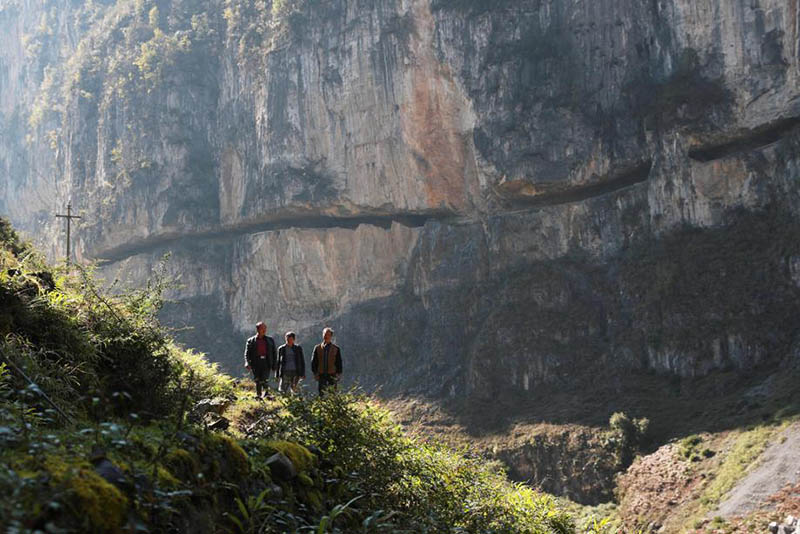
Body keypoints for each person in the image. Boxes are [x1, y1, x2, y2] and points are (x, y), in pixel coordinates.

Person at [243, 321, 277, 399]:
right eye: (262, 328)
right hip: (256, 362)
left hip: (266, 361)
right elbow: (247, 353)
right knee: (257, 378)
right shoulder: (251, 341)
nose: (264, 330)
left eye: (265, 328)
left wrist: (275, 364)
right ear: (258, 329)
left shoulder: (270, 340)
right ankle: (258, 394)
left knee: (265, 378)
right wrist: (247, 362)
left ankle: (266, 393)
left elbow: (274, 353)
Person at [310, 327, 342, 396]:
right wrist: (315, 373)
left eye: (328, 334)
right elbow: (314, 361)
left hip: (332, 374)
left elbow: (338, 362)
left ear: (331, 336)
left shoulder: (336, 349)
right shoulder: (317, 348)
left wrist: (338, 373)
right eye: (324, 334)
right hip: (321, 373)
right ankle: (322, 405)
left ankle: (332, 405)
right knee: (321, 392)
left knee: (333, 392)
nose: (326, 336)